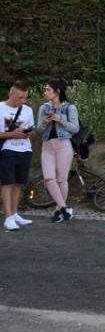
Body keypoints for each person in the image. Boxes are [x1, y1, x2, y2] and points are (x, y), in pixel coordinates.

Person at [36, 79, 80, 223]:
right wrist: (45, 122)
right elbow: (39, 130)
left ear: (58, 91)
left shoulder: (69, 107)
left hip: (63, 145)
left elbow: (75, 128)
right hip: (47, 145)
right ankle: (64, 208)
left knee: (61, 179)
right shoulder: (44, 108)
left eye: (48, 89)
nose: (46, 92)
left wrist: (60, 120)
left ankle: (57, 211)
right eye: (46, 89)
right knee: (49, 179)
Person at [1, 81, 35, 231]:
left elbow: (32, 131)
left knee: (18, 183)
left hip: (25, 149)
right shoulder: (0, 108)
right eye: (19, 98)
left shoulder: (28, 110)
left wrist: (28, 133)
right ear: (11, 94)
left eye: (25, 98)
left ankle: (15, 214)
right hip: (7, 150)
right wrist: (11, 134)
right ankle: (7, 217)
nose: (22, 101)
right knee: (7, 183)